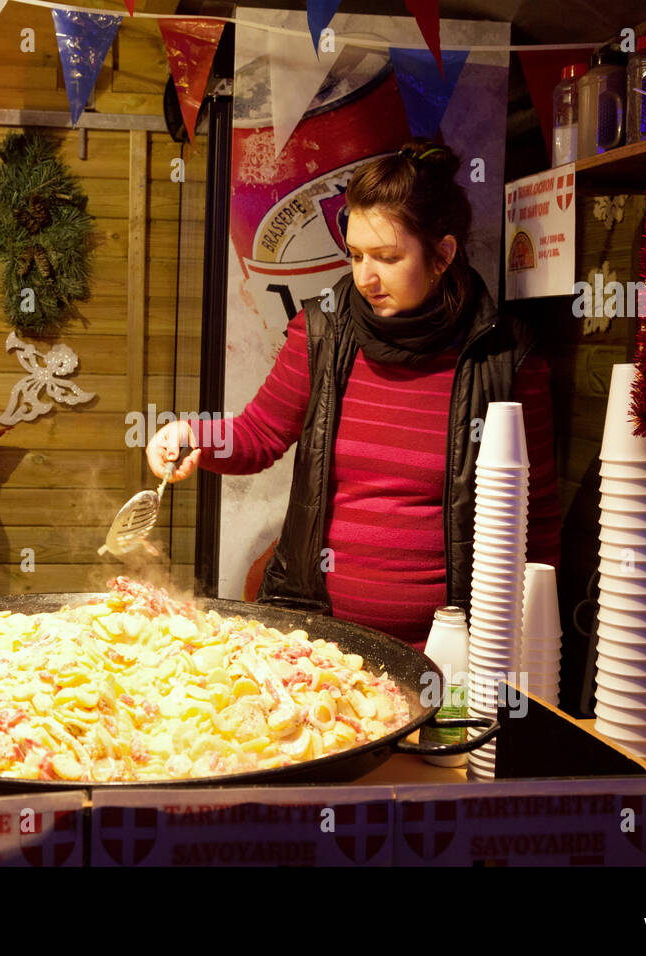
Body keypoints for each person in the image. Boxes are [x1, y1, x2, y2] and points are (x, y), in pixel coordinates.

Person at [146, 140, 561, 649]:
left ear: (442, 256)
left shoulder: (506, 357)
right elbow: (259, 435)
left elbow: (536, 520)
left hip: (450, 651)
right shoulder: (322, 331)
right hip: (321, 640)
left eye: (387, 258)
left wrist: (527, 645)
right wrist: (192, 435)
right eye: (356, 254)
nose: (364, 277)